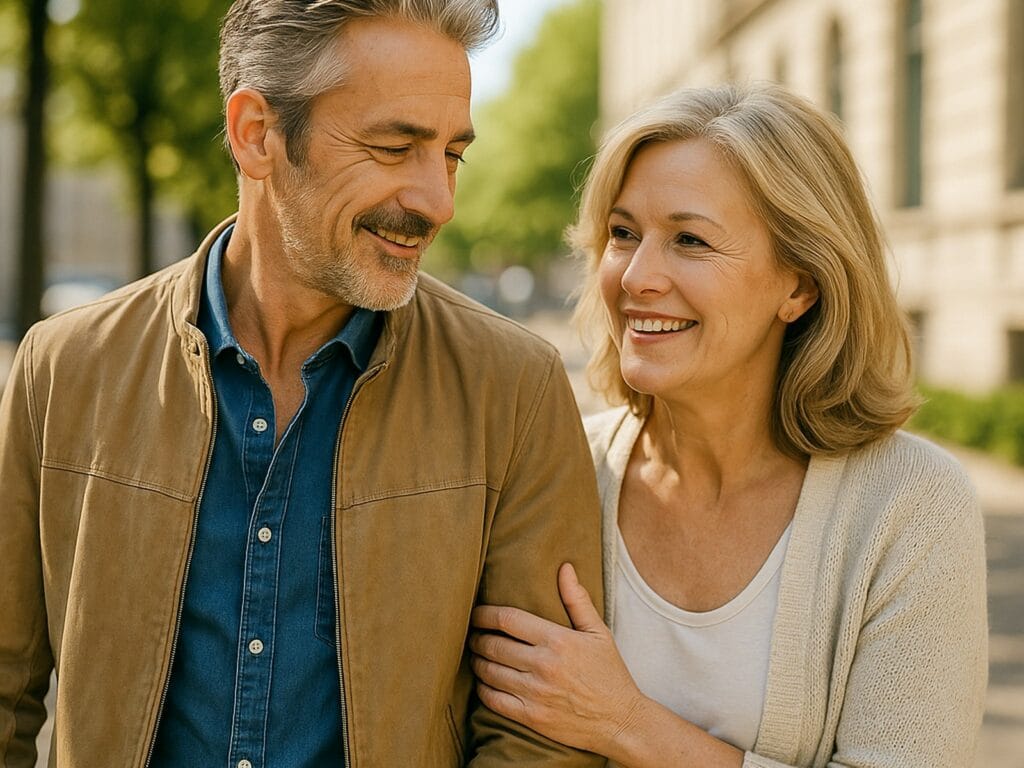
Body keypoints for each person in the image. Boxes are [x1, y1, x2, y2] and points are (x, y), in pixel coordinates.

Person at [0, 2, 605, 765]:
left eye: (452, 154)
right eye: (394, 147)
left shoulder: (516, 389)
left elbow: (540, 735)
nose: (438, 202)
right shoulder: (62, 369)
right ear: (257, 135)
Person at [470, 82, 988, 768]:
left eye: (690, 240)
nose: (638, 277)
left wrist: (627, 724)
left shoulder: (912, 505)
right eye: (624, 234)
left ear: (799, 285)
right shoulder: (556, 466)